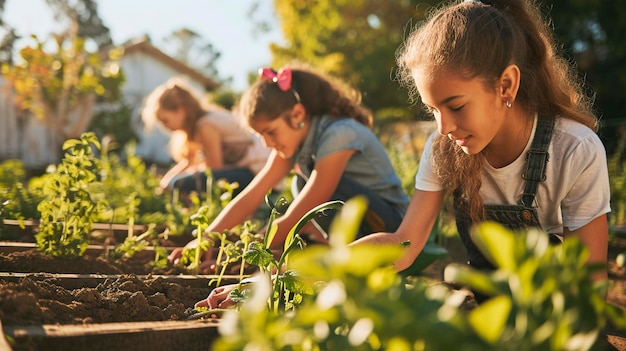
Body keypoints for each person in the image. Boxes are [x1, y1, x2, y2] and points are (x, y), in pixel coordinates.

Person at [200, 0, 610, 309]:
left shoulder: (573, 150)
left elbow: (588, 286)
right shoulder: (444, 147)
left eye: (456, 105)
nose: (443, 128)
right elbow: (401, 245)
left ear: (505, 84)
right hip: (491, 304)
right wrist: (275, 281)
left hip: (554, 313)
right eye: (433, 110)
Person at [169, 64, 410, 272]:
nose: (266, 144)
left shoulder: (340, 134)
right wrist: (206, 238)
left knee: (309, 187)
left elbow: (309, 202)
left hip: (393, 227)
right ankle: (335, 251)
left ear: (297, 114)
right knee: (300, 182)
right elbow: (253, 194)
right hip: (359, 220)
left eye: (270, 132)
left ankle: (340, 255)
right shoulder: (296, 142)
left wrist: (246, 252)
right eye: (260, 136)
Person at [141, 77, 271, 201]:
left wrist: (172, 182)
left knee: (180, 184)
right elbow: (189, 161)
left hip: (257, 174)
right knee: (178, 182)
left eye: (165, 120)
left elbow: (214, 168)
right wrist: (166, 182)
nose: (165, 127)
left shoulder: (205, 126)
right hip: (248, 173)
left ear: (181, 111)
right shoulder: (201, 124)